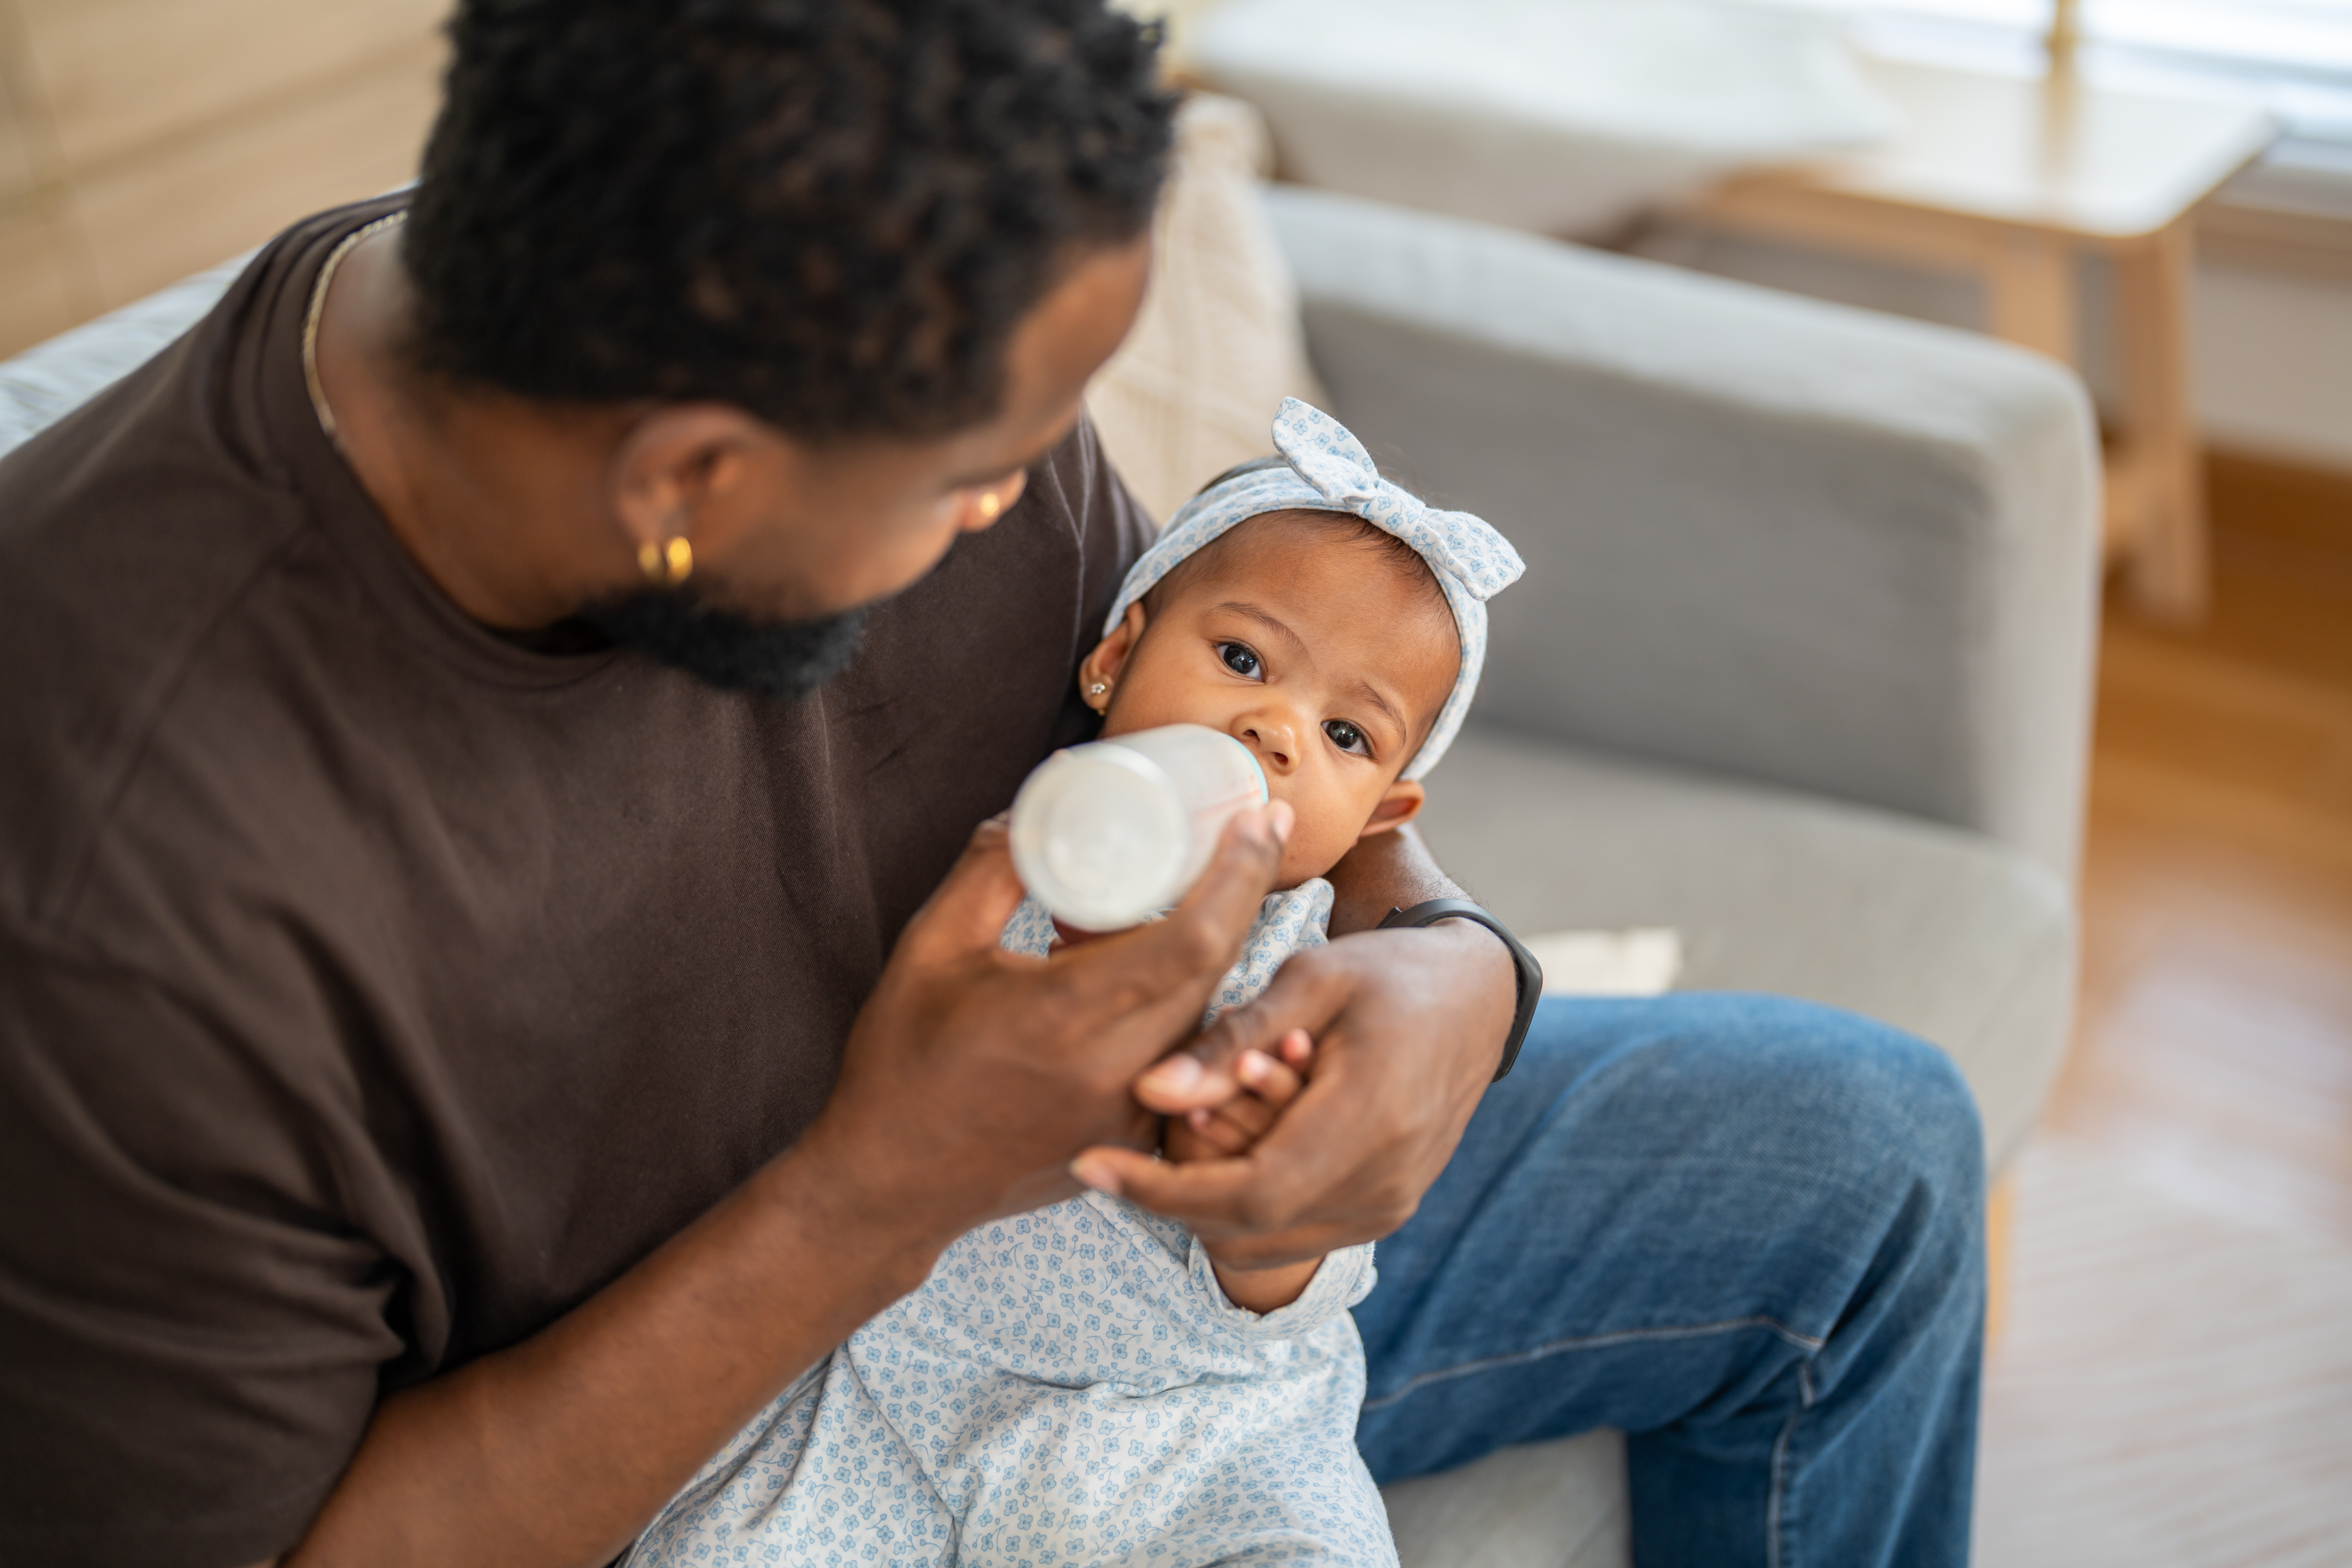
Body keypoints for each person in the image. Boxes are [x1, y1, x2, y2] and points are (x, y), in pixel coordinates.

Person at [0, 4, 1986, 1567]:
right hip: (728, 1448)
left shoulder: (876, 272)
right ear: (693, 483)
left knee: (1863, 1155)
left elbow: (1206, 721)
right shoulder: (120, 900)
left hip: (1113, 1240)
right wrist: (884, 1193)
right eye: (977, 476)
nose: (1016, 508)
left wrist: (1437, 961)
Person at [630, 399, 1522, 1567]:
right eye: (1244, 660)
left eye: (1348, 737)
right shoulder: (1001, 851)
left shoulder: (1314, 973)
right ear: (1113, 659)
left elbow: (1296, 1276)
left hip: (1180, 1426)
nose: (1275, 731)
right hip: (890, 1386)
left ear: (1383, 818)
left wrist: (1256, 1202)